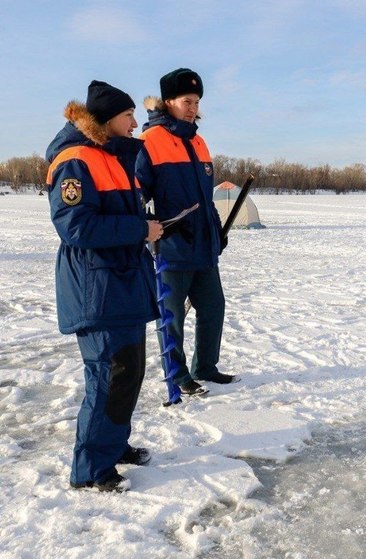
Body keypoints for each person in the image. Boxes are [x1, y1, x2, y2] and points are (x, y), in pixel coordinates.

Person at [46, 80, 163, 492]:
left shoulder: (112, 156)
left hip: (122, 283)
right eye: (129, 115)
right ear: (107, 118)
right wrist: (139, 228)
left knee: (128, 373)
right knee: (109, 376)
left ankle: (113, 444)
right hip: (97, 287)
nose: (136, 123)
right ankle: (91, 468)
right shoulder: (76, 159)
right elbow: (76, 226)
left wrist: (147, 226)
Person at [136, 68, 236, 396]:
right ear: (169, 102)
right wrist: (148, 228)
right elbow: (136, 193)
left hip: (204, 246)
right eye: (186, 101)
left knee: (213, 308)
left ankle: (206, 366)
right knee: (173, 318)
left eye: (196, 101)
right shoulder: (149, 141)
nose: (192, 107)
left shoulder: (199, 141)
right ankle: (178, 376)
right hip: (172, 248)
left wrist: (215, 230)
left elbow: (203, 199)